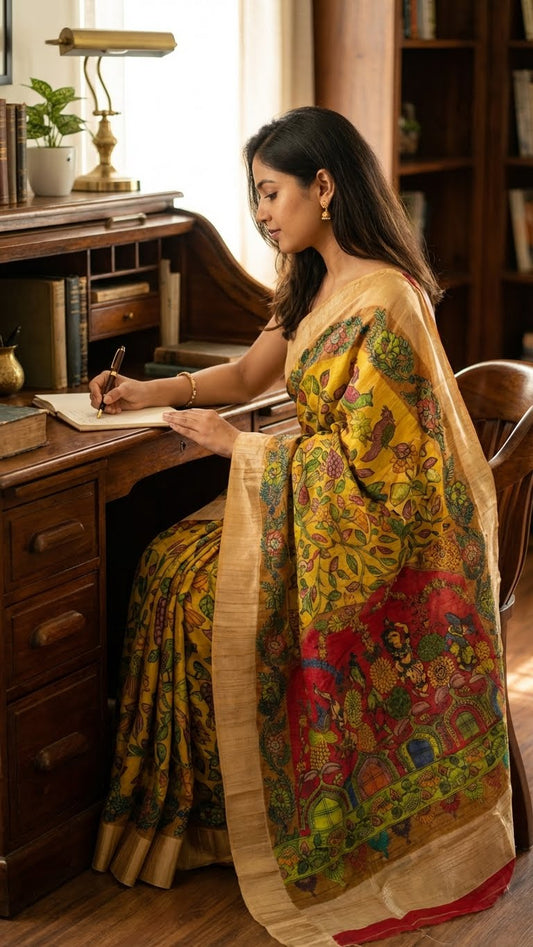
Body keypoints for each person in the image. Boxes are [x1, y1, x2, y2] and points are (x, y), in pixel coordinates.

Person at [90, 107, 515, 946]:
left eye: (271, 193)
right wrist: (150, 393)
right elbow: (250, 371)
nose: (261, 213)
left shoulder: (387, 297)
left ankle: (229, 818)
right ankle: (203, 815)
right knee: (168, 563)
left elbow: (387, 474)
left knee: (178, 580)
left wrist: (239, 452)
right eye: (254, 196)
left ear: (323, 186)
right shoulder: (309, 282)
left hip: (374, 536)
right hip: (303, 500)